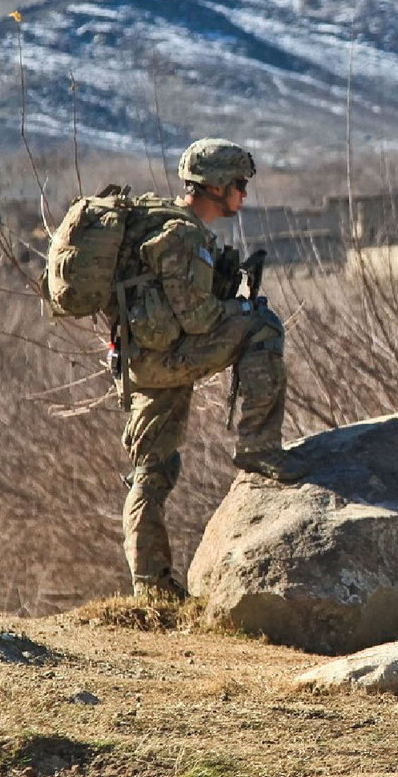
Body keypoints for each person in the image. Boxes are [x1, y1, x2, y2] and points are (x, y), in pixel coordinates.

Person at [116, 138, 304, 599]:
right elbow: (198, 318)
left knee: (152, 469)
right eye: (239, 184)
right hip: (166, 359)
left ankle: (152, 590)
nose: (244, 194)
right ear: (216, 186)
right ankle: (258, 446)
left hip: (142, 360)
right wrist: (235, 305)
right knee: (262, 326)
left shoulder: (160, 223)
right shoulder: (183, 235)